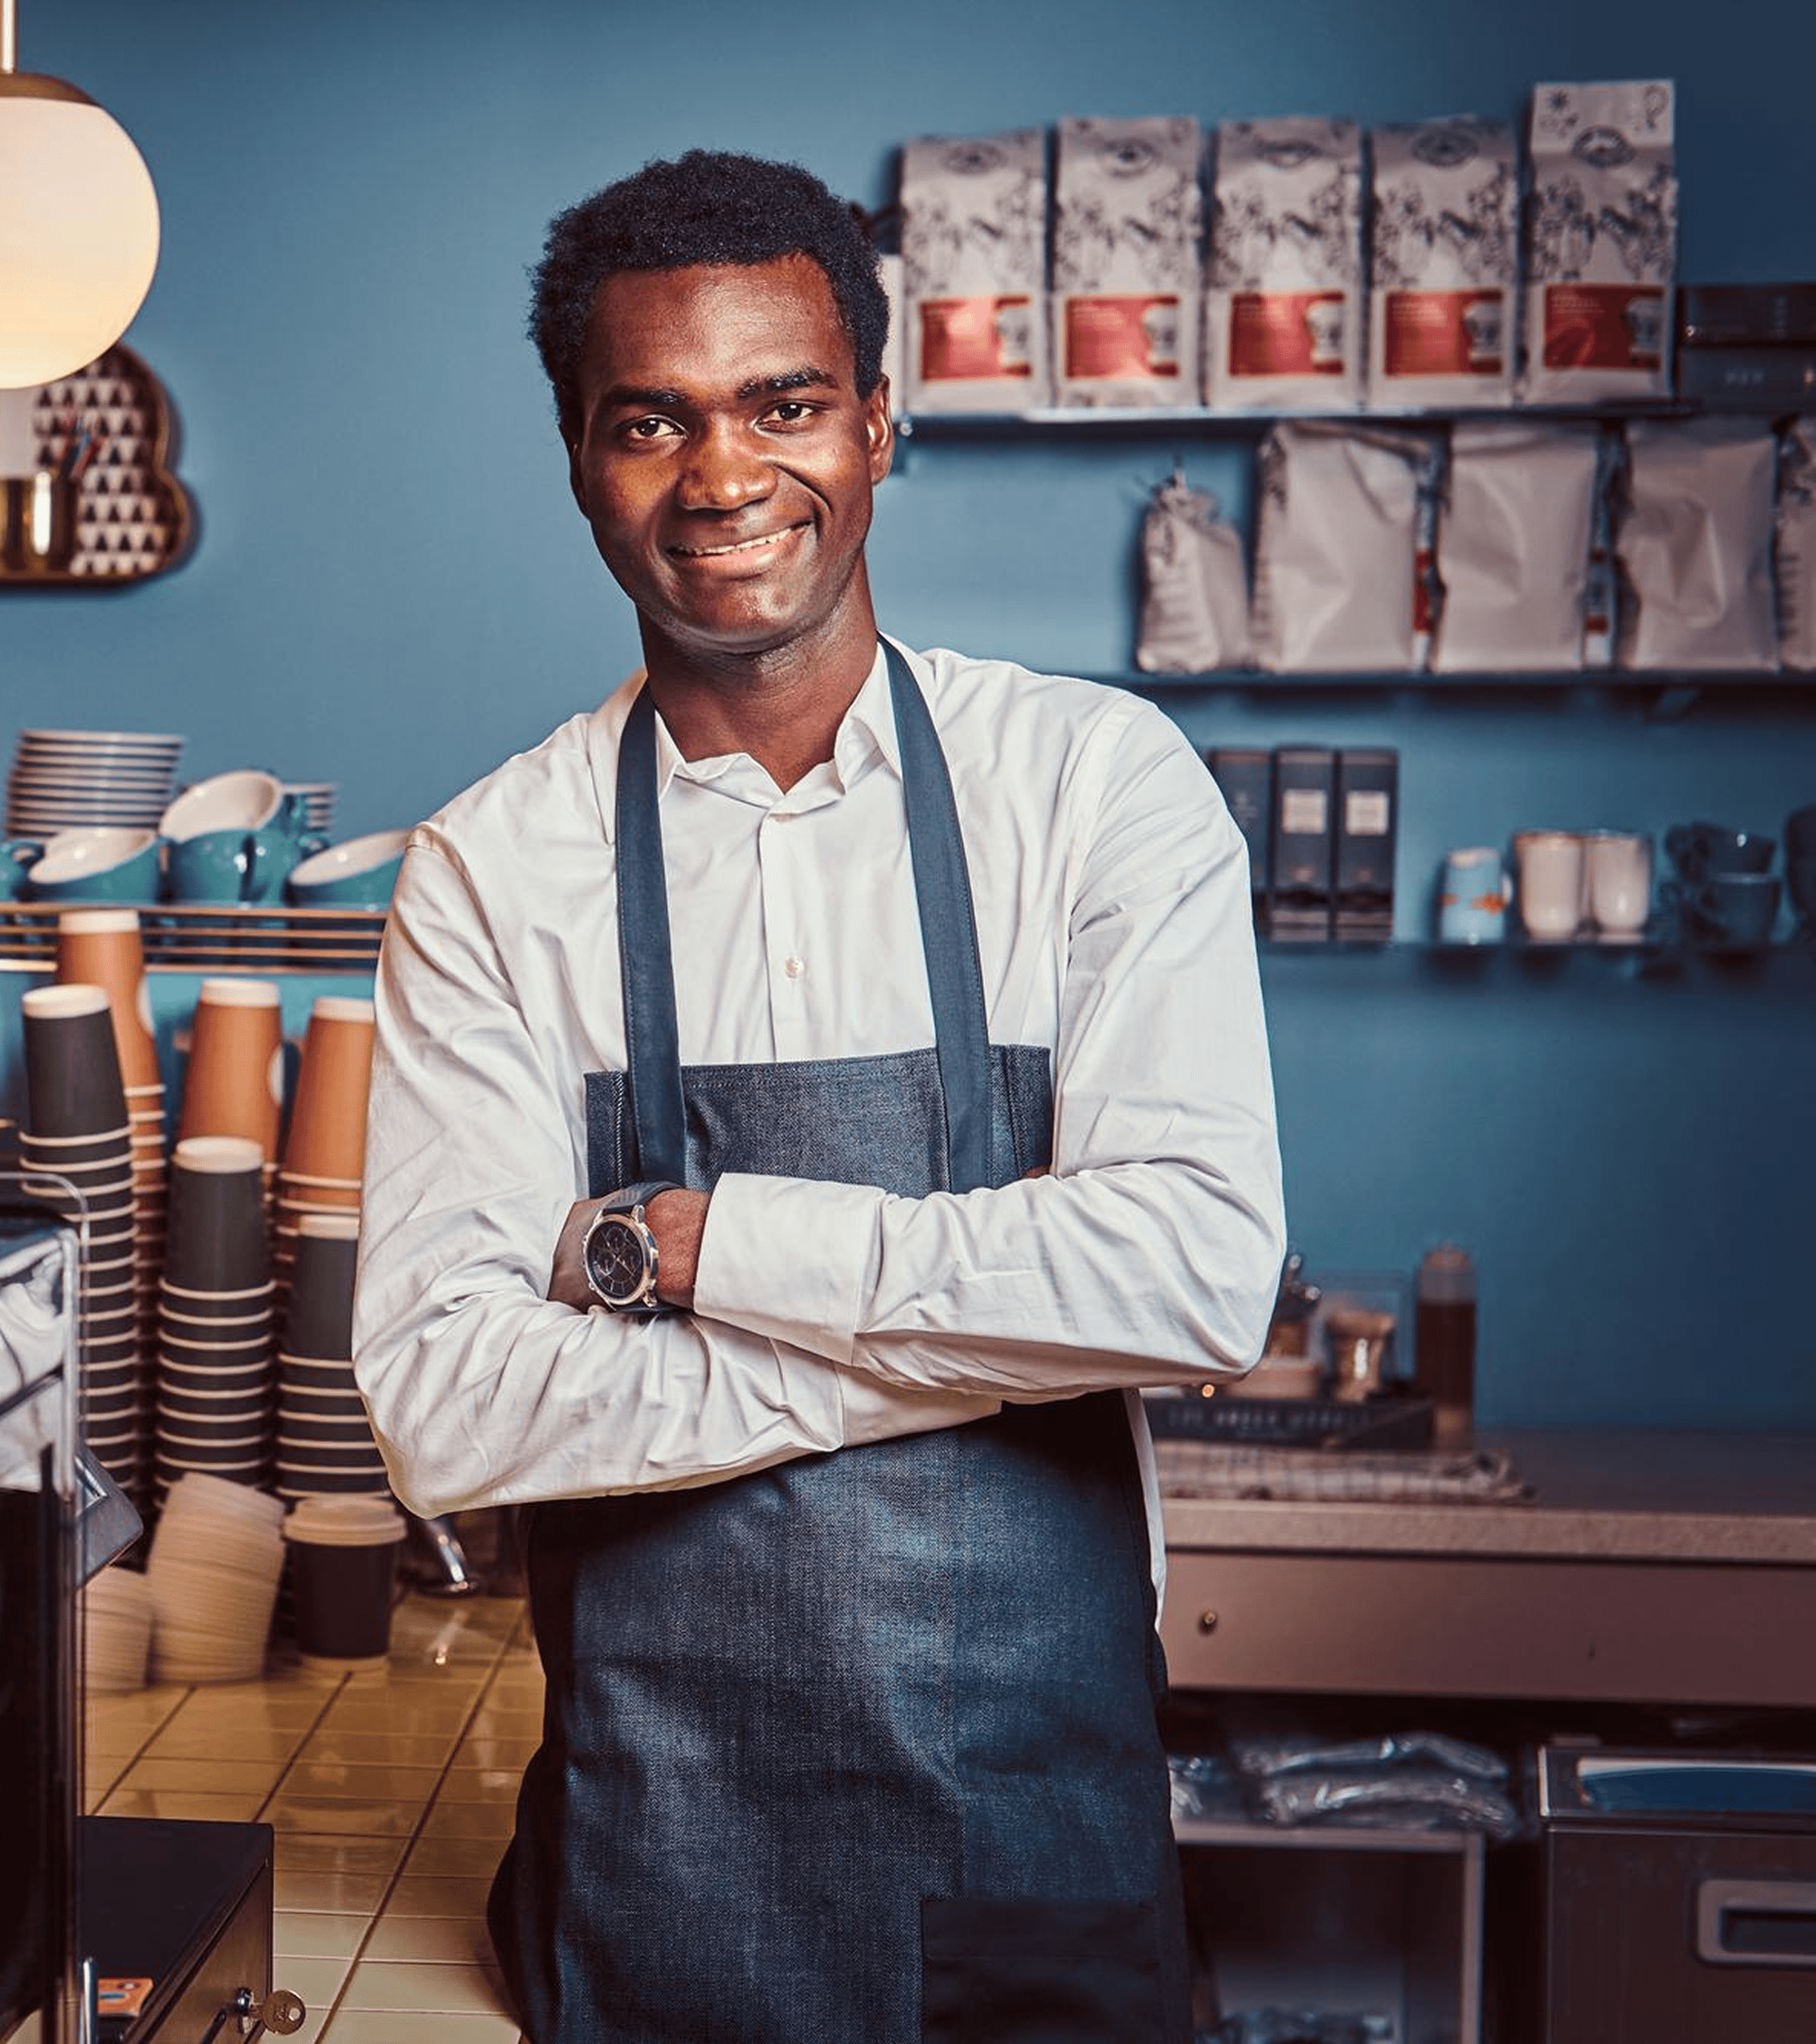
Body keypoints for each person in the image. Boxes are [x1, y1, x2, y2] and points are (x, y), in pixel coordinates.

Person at [350, 149, 1286, 2042]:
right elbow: (446, 1410)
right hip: (648, 1886)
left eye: (784, 404)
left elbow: (1194, 1279)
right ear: (579, 459)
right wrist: (982, 1338)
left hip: (1032, 1868)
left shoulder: (1095, 788)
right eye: (651, 421)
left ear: (877, 422)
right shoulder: (488, 870)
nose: (722, 477)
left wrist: (714, 1248)